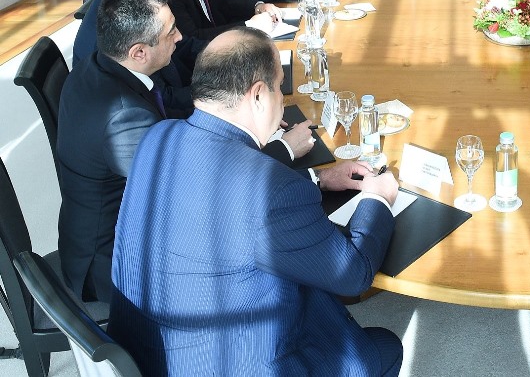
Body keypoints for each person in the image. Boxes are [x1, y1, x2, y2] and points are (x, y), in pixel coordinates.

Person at [108, 28, 403, 376]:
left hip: (146, 354)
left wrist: (320, 178)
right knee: (383, 348)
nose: (281, 97)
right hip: (228, 365)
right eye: (279, 86)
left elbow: (222, 194)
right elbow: (353, 276)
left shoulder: (159, 136)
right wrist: (377, 197)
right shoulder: (271, 191)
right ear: (259, 95)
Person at [57, 0, 180, 303]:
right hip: (113, 265)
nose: (179, 37)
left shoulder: (97, 64)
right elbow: (180, 193)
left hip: (92, 230)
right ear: (139, 52)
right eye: (171, 32)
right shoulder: (125, 116)